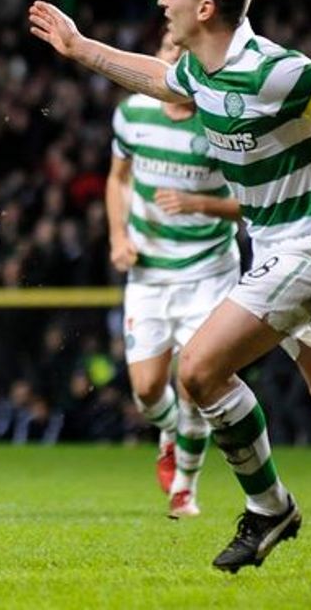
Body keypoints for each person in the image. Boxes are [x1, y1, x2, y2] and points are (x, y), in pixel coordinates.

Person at [29, 0, 311, 575]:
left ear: (205, 7)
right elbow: (155, 78)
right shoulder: (202, 72)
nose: (161, 1)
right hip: (285, 246)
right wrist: (78, 46)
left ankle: (269, 507)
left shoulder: (273, 71)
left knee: (199, 372)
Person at [107, 32, 241, 518]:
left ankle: (185, 486)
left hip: (208, 270)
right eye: (168, 49)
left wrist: (198, 203)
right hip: (149, 272)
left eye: (185, 51)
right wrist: (118, 238)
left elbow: (250, 205)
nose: (176, 57)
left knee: (194, 383)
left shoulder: (220, 122)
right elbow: (117, 179)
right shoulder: (133, 113)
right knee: (146, 390)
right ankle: (170, 432)